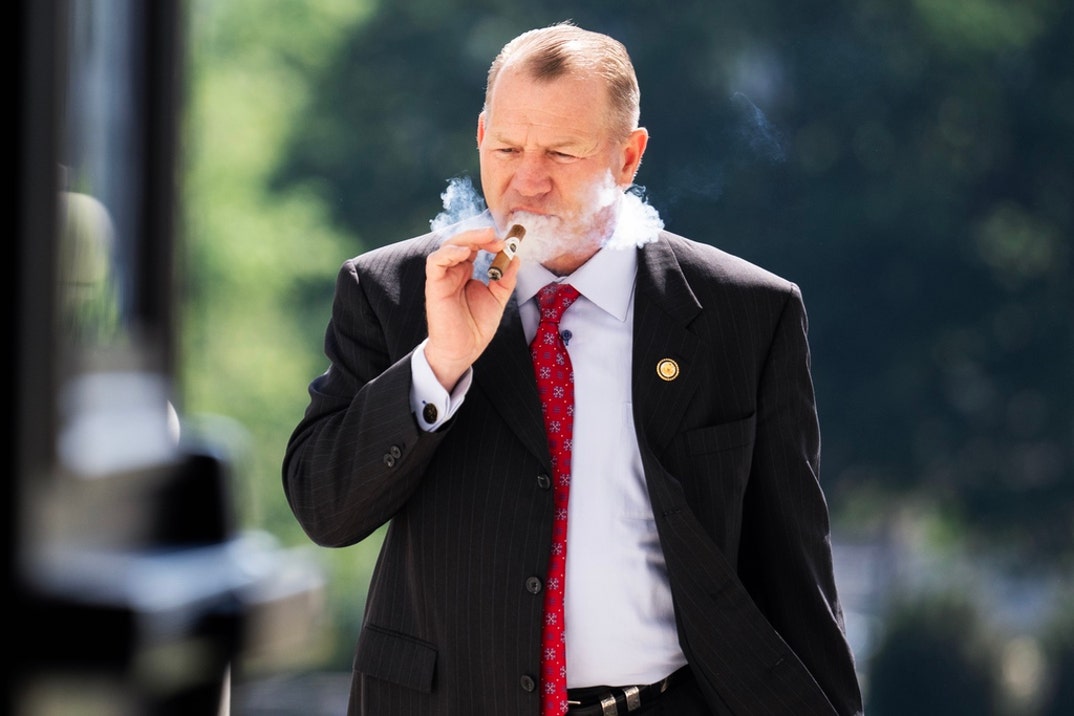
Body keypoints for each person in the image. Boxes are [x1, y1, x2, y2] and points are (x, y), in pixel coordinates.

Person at [283, 22, 863, 716]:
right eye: (506, 148)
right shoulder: (393, 292)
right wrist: (440, 364)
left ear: (628, 157)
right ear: (480, 135)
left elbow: (796, 572)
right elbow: (324, 511)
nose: (527, 182)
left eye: (561, 152)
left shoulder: (744, 313)